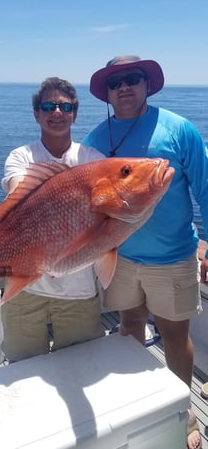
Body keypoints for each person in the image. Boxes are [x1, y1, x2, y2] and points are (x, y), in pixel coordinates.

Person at [83, 55, 208, 449]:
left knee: (174, 334)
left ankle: (181, 408)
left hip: (173, 257)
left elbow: (205, 189)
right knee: (129, 327)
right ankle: (137, 403)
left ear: (146, 83)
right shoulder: (94, 141)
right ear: (106, 91)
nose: (124, 86)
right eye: (115, 81)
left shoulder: (179, 129)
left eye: (132, 78)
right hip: (119, 256)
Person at [0, 76, 105, 362]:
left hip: (78, 290)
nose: (56, 112)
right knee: (21, 366)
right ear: (37, 114)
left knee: (80, 365)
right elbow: (16, 195)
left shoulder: (93, 159)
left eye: (64, 106)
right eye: (48, 106)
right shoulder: (22, 156)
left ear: (74, 113)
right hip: (24, 287)